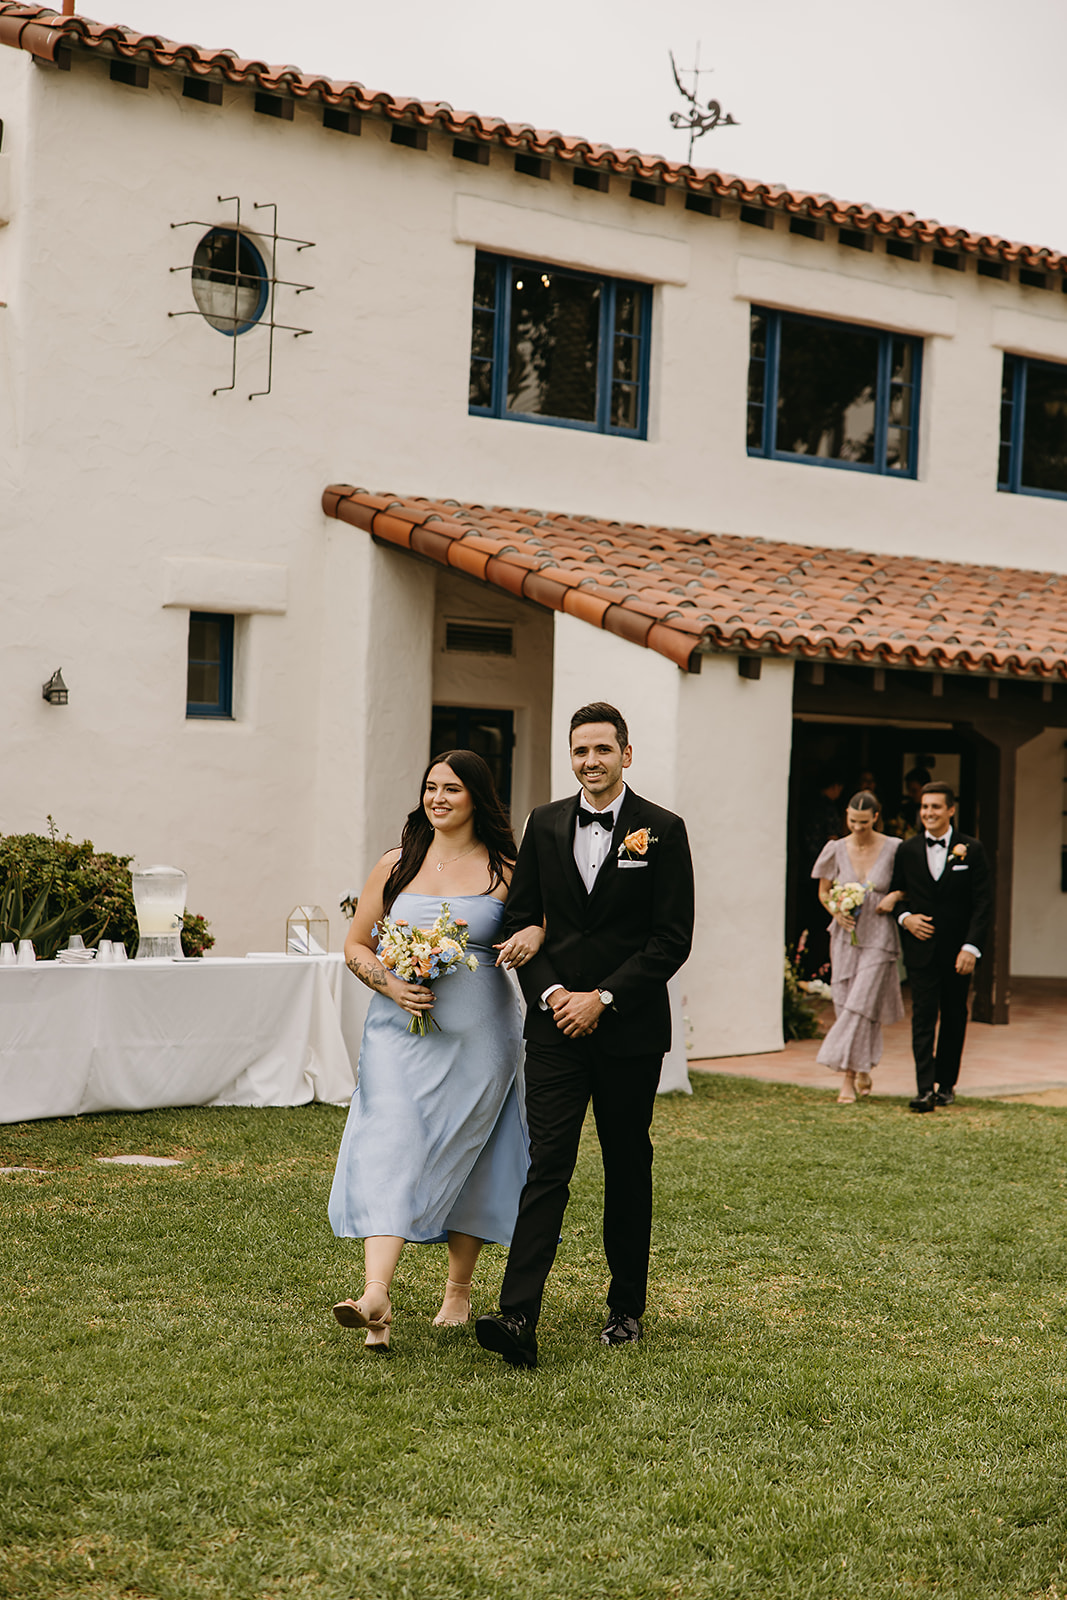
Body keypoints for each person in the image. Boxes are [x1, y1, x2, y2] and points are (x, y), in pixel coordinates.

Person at [475, 702, 695, 1369]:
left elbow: (670, 939)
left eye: (602, 749)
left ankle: (625, 1307)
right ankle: (518, 1316)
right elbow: (519, 922)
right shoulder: (542, 825)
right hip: (553, 1031)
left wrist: (601, 998)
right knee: (547, 1165)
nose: (590, 761)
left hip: (628, 1031)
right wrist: (550, 995)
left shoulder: (662, 829)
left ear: (626, 754)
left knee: (627, 1166)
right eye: (579, 751)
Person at [329, 750, 539, 1350]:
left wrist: (530, 932)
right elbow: (356, 945)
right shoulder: (397, 865)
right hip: (397, 1032)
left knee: (472, 1147)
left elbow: (538, 925)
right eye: (429, 787)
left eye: (451, 788)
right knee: (390, 1137)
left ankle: (458, 1287)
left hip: (481, 1036)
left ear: (477, 796)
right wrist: (392, 985)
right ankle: (376, 1295)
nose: (437, 797)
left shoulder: (506, 868)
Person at [878, 782, 993, 1114]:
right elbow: (897, 893)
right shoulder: (908, 850)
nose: (928, 812)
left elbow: (983, 904)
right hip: (921, 949)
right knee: (923, 1017)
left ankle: (946, 1085)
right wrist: (906, 919)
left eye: (936, 807)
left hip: (959, 951)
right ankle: (924, 1089)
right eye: (925, 807)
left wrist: (971, 947)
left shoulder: (972, 849)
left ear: (951, 810)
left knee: (955, 1015)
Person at [812, 790, 904, 1104]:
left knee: (860, 1006)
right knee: (844, 1003)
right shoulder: (835, 849)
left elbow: (909, 883)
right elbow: (824, 891)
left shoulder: (894, 848)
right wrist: (835, 909)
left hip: (879, 937)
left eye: (864, 822)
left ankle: (847, 1079)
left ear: (876, 818)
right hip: (844, 937)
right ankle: (862, 1066)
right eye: (852, 821)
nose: (858, 828)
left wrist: (895, 896)